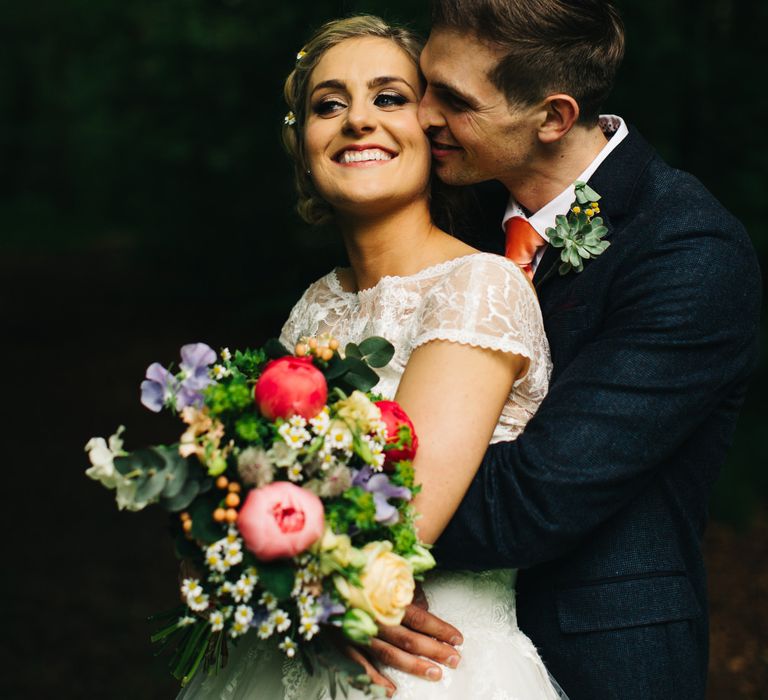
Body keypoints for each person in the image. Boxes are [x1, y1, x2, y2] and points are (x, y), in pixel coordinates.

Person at [363, 2, 762, 698]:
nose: (423, 116)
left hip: (597, 655)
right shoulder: (457, 207)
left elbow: (538, 495)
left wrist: (318, 520)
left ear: (552, 117)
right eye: (424, 85)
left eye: (453, 100)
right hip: (417, 647)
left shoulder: (689, 253)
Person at [178, 13, 567, 700]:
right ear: (303, 147)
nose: (358, 120)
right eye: (329, 105)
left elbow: (401, 521)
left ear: (433, 130)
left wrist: (293, 579)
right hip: (292, 647)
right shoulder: (314, 306)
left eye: (389, 98)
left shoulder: (480, 285)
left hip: (429, 664)